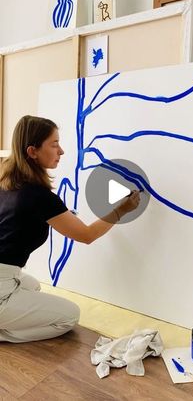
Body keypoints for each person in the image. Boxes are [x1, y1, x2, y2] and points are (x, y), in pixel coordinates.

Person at [0, 115, 140, 343]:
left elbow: (17, 221)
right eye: (54, 145)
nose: (62, 151)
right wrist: (120, 210)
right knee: (69, 317)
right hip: (1, 285)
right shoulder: (39, 196)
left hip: (5, 275)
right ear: (32, 151)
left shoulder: (6, 184)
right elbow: (86, 235)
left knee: (33, 286)